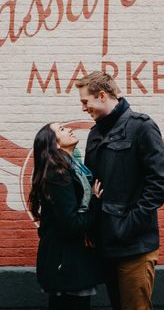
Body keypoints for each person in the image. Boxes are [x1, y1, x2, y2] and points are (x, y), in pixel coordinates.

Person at [75, 71, 164, 310]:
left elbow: (160, 181)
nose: (84, 108)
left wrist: (129, 224)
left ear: (101, 95)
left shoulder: (142, 127)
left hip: (135, 245)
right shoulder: (95, 133)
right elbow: (93, 183)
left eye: (85, 102)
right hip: (106, 243)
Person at [28, 122, 104, 310]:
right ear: (56, 145)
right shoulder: (59, 174)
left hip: (71, 261)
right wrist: (95, 201)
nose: (70, 129)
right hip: (66, 264)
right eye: (62, 129)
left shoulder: (74, 168)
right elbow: (71, 224)